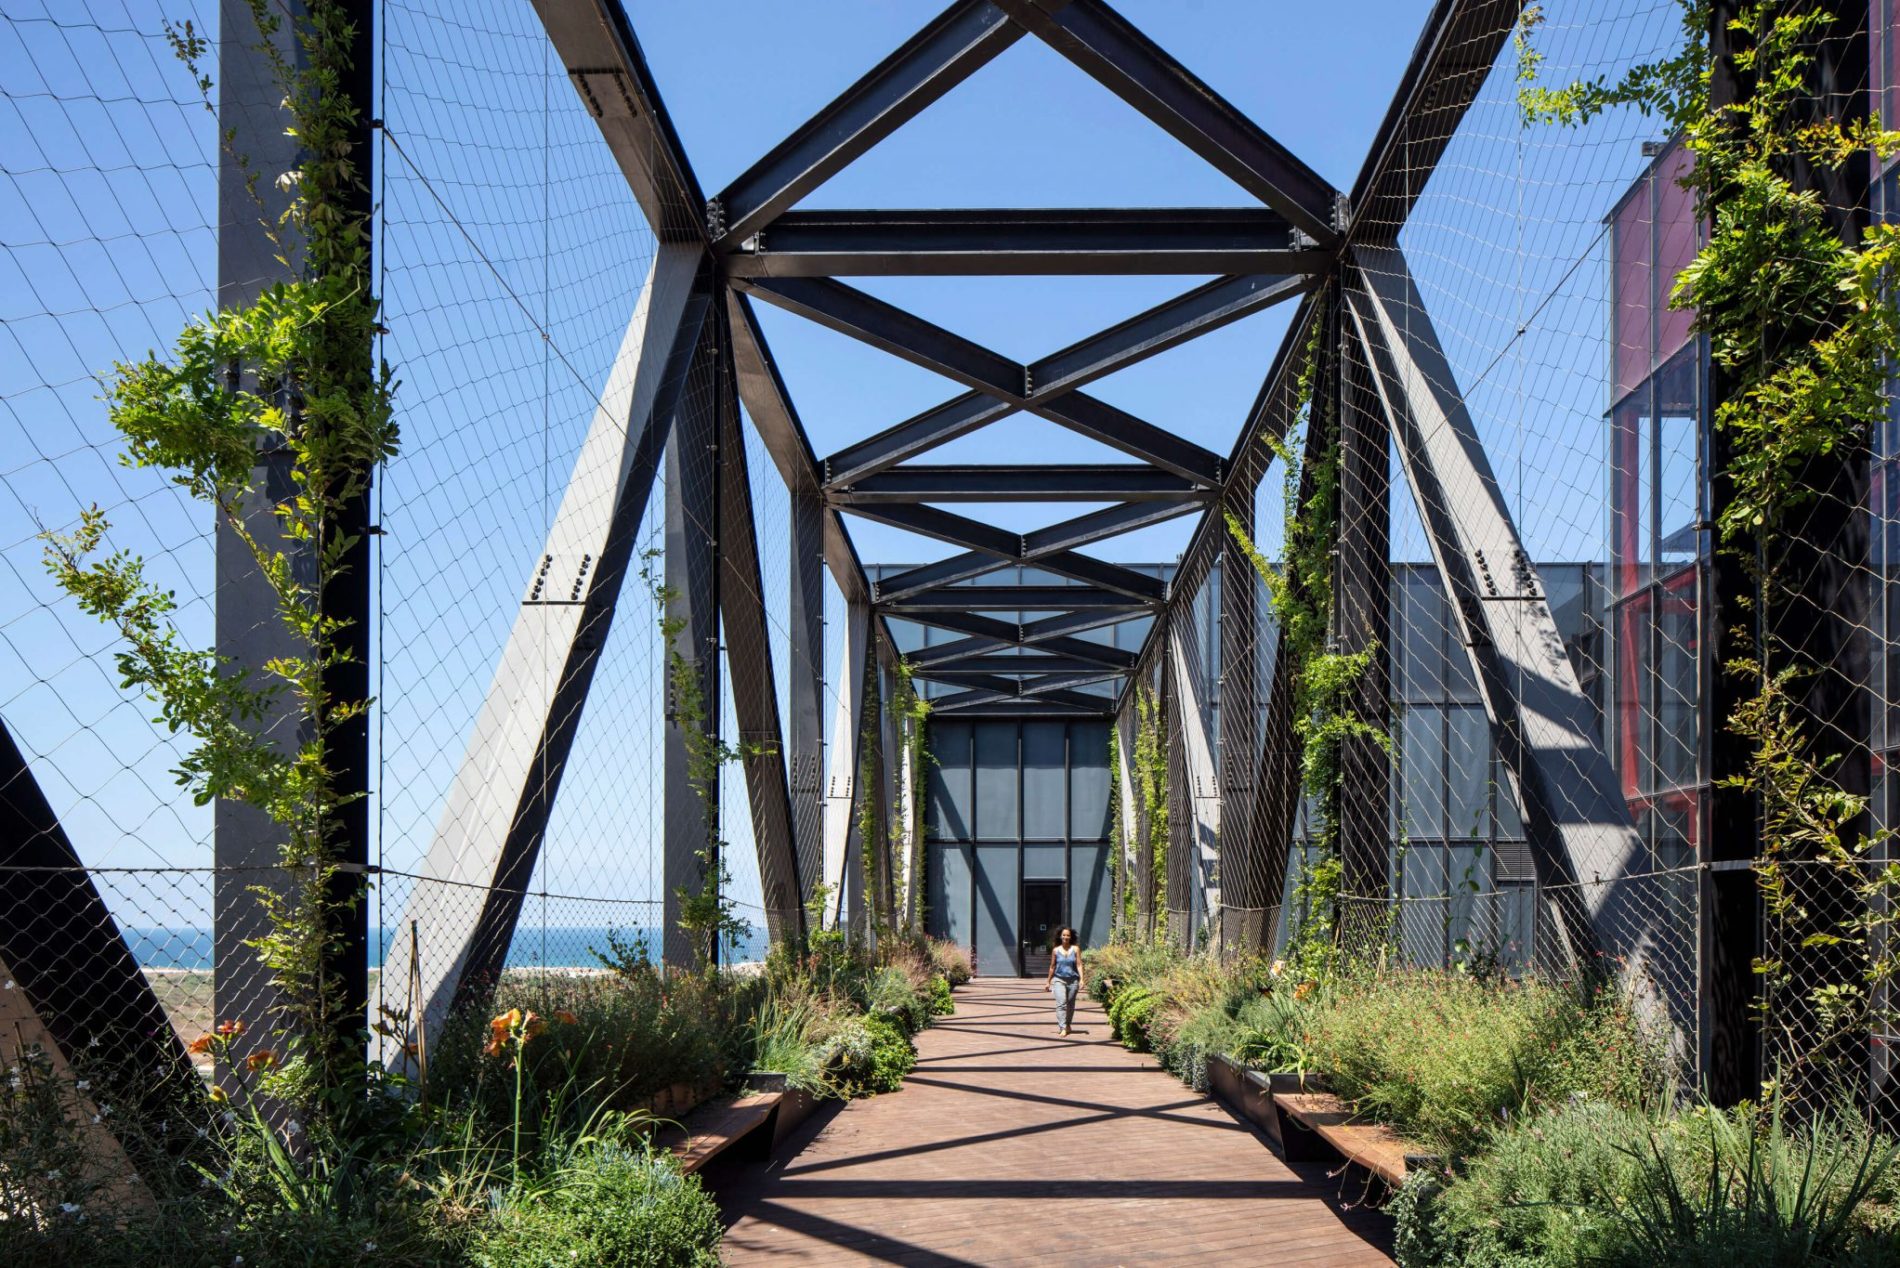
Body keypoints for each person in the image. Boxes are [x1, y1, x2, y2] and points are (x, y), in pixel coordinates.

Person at [1045, 926, 1084, 1036]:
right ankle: (1062, 1027)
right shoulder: (1056, 951)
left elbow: (1079, 964)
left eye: (1068, 935)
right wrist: (1048, 982)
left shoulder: (1075, 949)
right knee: (1061, 1004)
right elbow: (1052, 967)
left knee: (1070, 1005)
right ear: (1060, 936)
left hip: (1073, 981)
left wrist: (1082, 979)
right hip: (1059, 980)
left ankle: (1068, 1024)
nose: (1066, 937)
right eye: (1064, 935)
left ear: (1070, 937)